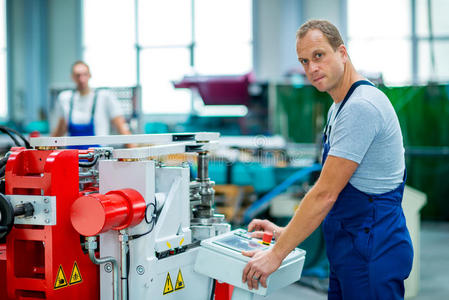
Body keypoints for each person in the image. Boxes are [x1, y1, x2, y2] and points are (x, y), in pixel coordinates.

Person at [241, 19, 413, 300]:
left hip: (372, 252)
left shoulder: (361, 107)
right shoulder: (338, 108)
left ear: (342, 53)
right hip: (349, 249)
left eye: (318, 56)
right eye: (304, 61)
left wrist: (275, 255)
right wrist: (286, 233)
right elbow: (334, 192)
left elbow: (324, 195)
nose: (311, 68)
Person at [51, 61, 132, 146]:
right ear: (72, 77)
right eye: (78, 75)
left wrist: (134, 153)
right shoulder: (65, 98)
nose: (81, 79)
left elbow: (121, 127)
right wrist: (46, 149)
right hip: (72, 155)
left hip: (99, 156)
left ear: (90, 75)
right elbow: (60, 129)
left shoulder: (104, 97)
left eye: (85, 74)